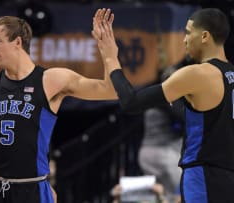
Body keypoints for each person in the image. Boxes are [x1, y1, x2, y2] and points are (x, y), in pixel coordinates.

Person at [0, 15, 118, 203]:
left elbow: (110, 90)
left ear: (18, 42)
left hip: (32, 188)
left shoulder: (51, 79)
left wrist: (109, 53)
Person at [93, 8, 234, 202]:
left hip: (203, 176)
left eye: (187, 32)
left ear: (204, 36)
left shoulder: (197, 74)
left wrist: (110, 58)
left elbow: (130, 102)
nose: (184, 40)